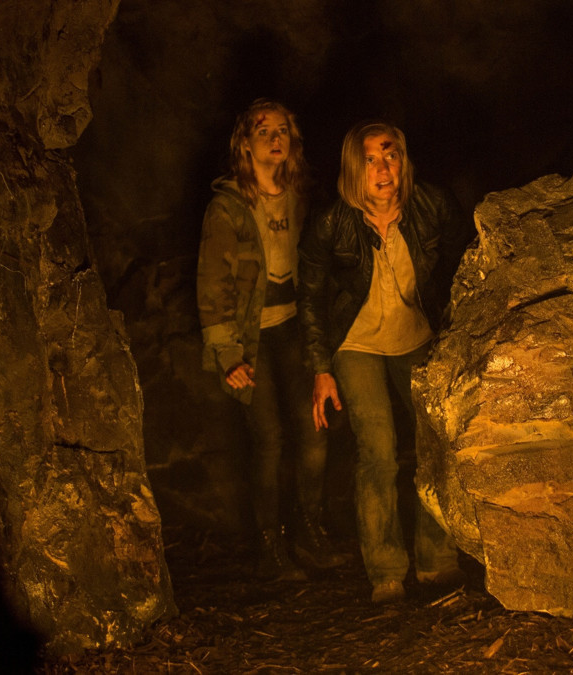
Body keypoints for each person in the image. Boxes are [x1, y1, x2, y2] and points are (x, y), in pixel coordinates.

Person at [298, 120, 467, 603]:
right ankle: (386, 572)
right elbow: (310, 295)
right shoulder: (331, 223)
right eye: (370, 159)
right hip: (357, 344)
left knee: (435, 444)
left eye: (390, 156)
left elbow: (463, 262)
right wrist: (321, 368)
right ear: (354, 169)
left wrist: (458, 333)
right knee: (378, 451)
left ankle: (437, 561)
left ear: (404, 160)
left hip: (418, 337)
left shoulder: (431, 205)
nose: (382, 168)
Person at [197, 99, 344, 581]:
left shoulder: (303, 194)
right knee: (269, 440)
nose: (275, 138)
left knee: (314, 431)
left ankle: (309, 532)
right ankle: (270, 547)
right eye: (264, 132)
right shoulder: (228, 207)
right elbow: (212, 282)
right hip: (251, 337)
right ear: (245, 143)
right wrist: (226, 353)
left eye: (283, 130)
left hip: (296, 329)